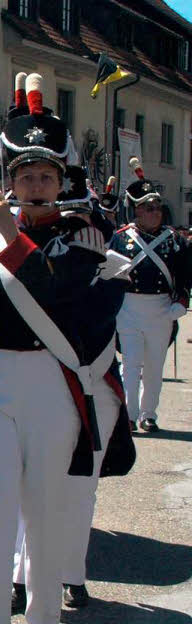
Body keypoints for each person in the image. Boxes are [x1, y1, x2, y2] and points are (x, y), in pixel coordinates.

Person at [0, 72, 129, 624]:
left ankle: (44, 619)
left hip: (52, 381)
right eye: (25, 176)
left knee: (44, 506)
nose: (35, 183)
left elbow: (58, 295)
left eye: (45, 176)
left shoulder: (83, 235)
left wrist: (5, 236)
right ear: (10, 180)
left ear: (61, 180)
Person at [12, 164, 136, 612]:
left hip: (93, 381)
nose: (76, 221)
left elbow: (94, 319)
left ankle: (72, 574)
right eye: (69, 214)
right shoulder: (38, 260)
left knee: (80, 486)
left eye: (83, 213)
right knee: (28, 482)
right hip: (46, 378)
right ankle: (20, 577)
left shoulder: (112, 265)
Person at [110, 156, 190, 433]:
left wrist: (181, 301)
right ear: (137, 212)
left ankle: (148, 414)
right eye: (148, 208)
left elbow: (185, 276)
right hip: (128, 308)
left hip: (161, 309)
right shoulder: (120, 238)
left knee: (155, 365)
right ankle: (129, 415)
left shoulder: (175, 241)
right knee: (130, 363)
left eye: (157, 208)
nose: (155, 212)